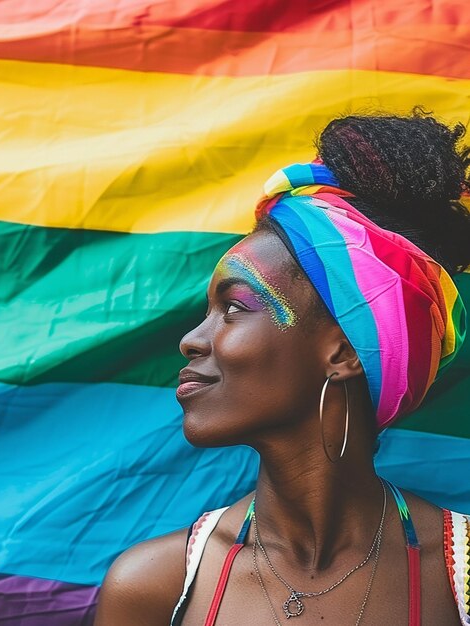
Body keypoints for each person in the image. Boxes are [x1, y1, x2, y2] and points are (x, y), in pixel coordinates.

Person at [94, 110, 470, 625]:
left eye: (234, 307)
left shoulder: (457, 579)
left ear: (345, 352)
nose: (190, 341)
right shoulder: (154, 590)